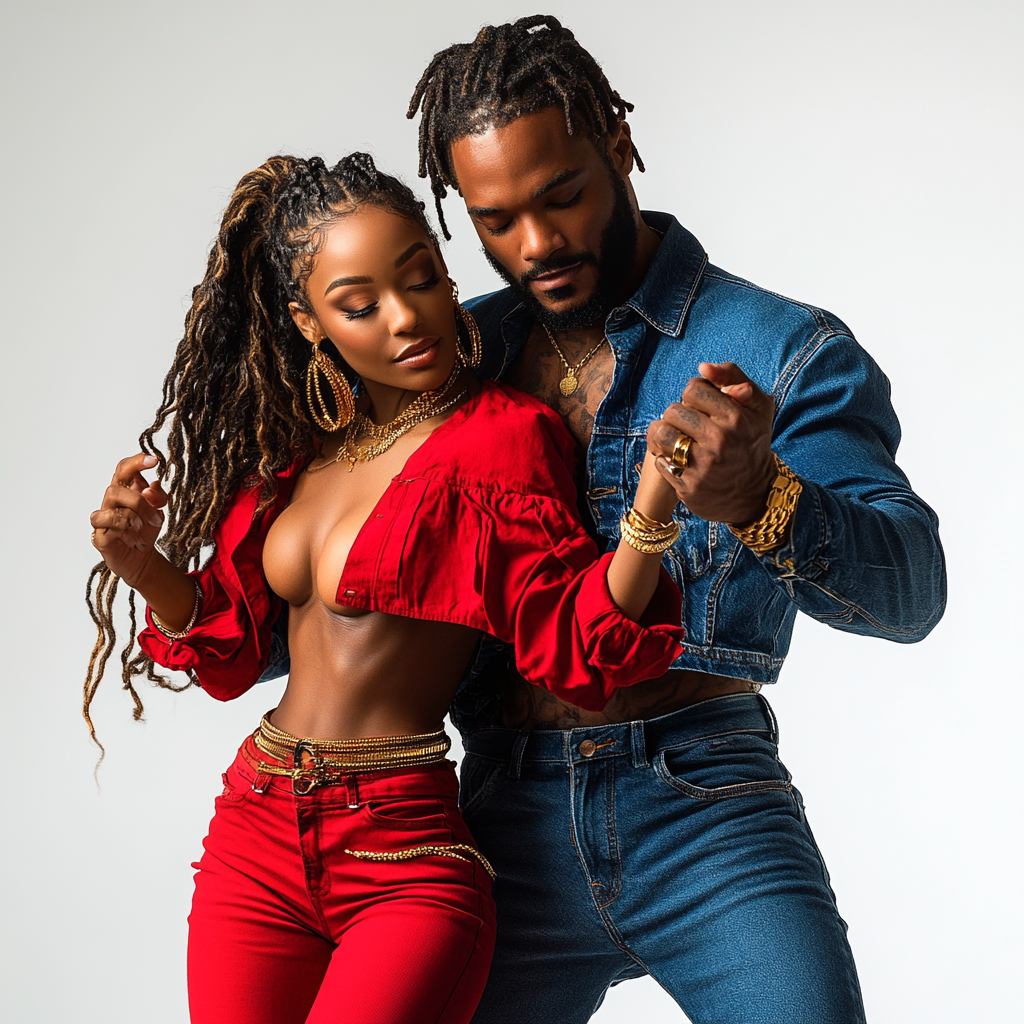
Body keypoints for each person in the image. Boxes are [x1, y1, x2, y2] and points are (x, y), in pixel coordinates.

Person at [401, 15, 947, 1024]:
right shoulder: (454, 360)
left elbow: (911, 592)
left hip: (705, 807)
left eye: (560, 196)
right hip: (498, 817)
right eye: (495, 220)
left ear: (616, 143)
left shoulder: (779, 348)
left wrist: (759, 498)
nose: (536, 245)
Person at [82, 152, 688, 1024]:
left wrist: (652, 507)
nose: (407, 319)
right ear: (309, 322)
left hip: (401, 849)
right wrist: (143, 565)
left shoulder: (501, 438)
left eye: (424, 279)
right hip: (254, 832)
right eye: (361, 305)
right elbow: (231, 649)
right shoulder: (299, 457)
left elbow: (576, 637)